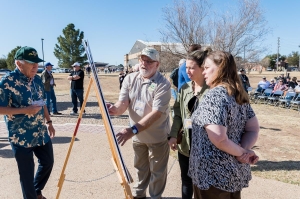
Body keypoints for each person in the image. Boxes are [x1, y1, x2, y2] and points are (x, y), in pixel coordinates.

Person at [189, 51, 259, 199]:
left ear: (220, 68)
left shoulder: (214, 95)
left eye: (207, 67)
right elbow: (252, 129)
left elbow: (219, 138)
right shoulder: (238, 94)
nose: (203, 71)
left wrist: (242, 153)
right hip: (233, 175)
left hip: (212, 178)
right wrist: (244, 151)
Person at [107, 47, 171, 199]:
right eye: (142, 60)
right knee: (140, 169)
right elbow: (123, 103)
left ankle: (155, 197)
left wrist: (132, 130)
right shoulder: (130, 79)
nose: (144, 64)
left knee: (157, 172)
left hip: (157, 137)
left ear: (157, 64)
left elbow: (156, 113)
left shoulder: (163, 84)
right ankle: (139, 195)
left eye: (149, 61)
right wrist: (114, 109)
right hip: (138, 137)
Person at [0, 46, 55, 199]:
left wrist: (49, 121)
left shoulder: (37, 79)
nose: (35, 66)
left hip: (40, 132)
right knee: (27, 175)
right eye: (31, 63)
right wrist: (24, 110)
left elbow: (42, 102)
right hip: (21, 136)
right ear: (19, 64)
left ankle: (36, 191)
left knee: (48, 162)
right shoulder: (7, 81)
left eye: (37, 63)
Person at [168, 49, 209, 199]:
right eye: (186, 67)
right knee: (186, 181)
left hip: (205, 147)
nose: (188, 71)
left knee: (203, 184)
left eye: (192, 67)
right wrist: (173, 135)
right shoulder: (184, 88)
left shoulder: (212, 90)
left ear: (203, 68)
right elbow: (178, 113)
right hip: (185, 145)